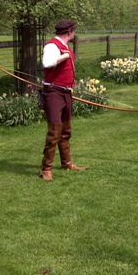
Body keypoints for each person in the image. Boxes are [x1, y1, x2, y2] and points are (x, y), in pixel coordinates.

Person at [39, 19, 87, 181]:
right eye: (74, 31)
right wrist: (64, 56)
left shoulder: (65, 46)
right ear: (69, 32)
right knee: (54, 132)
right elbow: (46, 63)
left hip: (66, 93)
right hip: (54, 93)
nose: (74, 33)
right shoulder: (52, 46)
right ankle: (46, 169)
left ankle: (66, 163)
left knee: (66, 131)